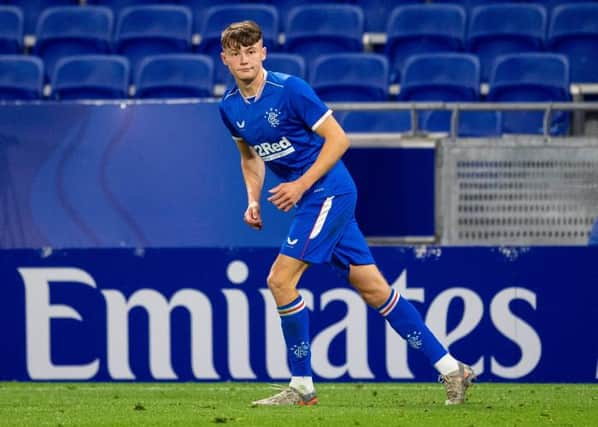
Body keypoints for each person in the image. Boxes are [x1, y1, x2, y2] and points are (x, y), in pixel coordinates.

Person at [218, 20, 476, 407]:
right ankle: (451, 367)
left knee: (280, 280)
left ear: (263, 52)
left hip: (328, 192)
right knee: (375, 290)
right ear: (225, 59)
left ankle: (301, 386)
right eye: (236, 53)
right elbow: (250, 156)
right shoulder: (230, 107)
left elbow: (340, 139)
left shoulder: (289, 90)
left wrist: (300, 185)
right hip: (311, 199)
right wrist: (252, 200)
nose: (245, 59)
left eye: (251, 50)